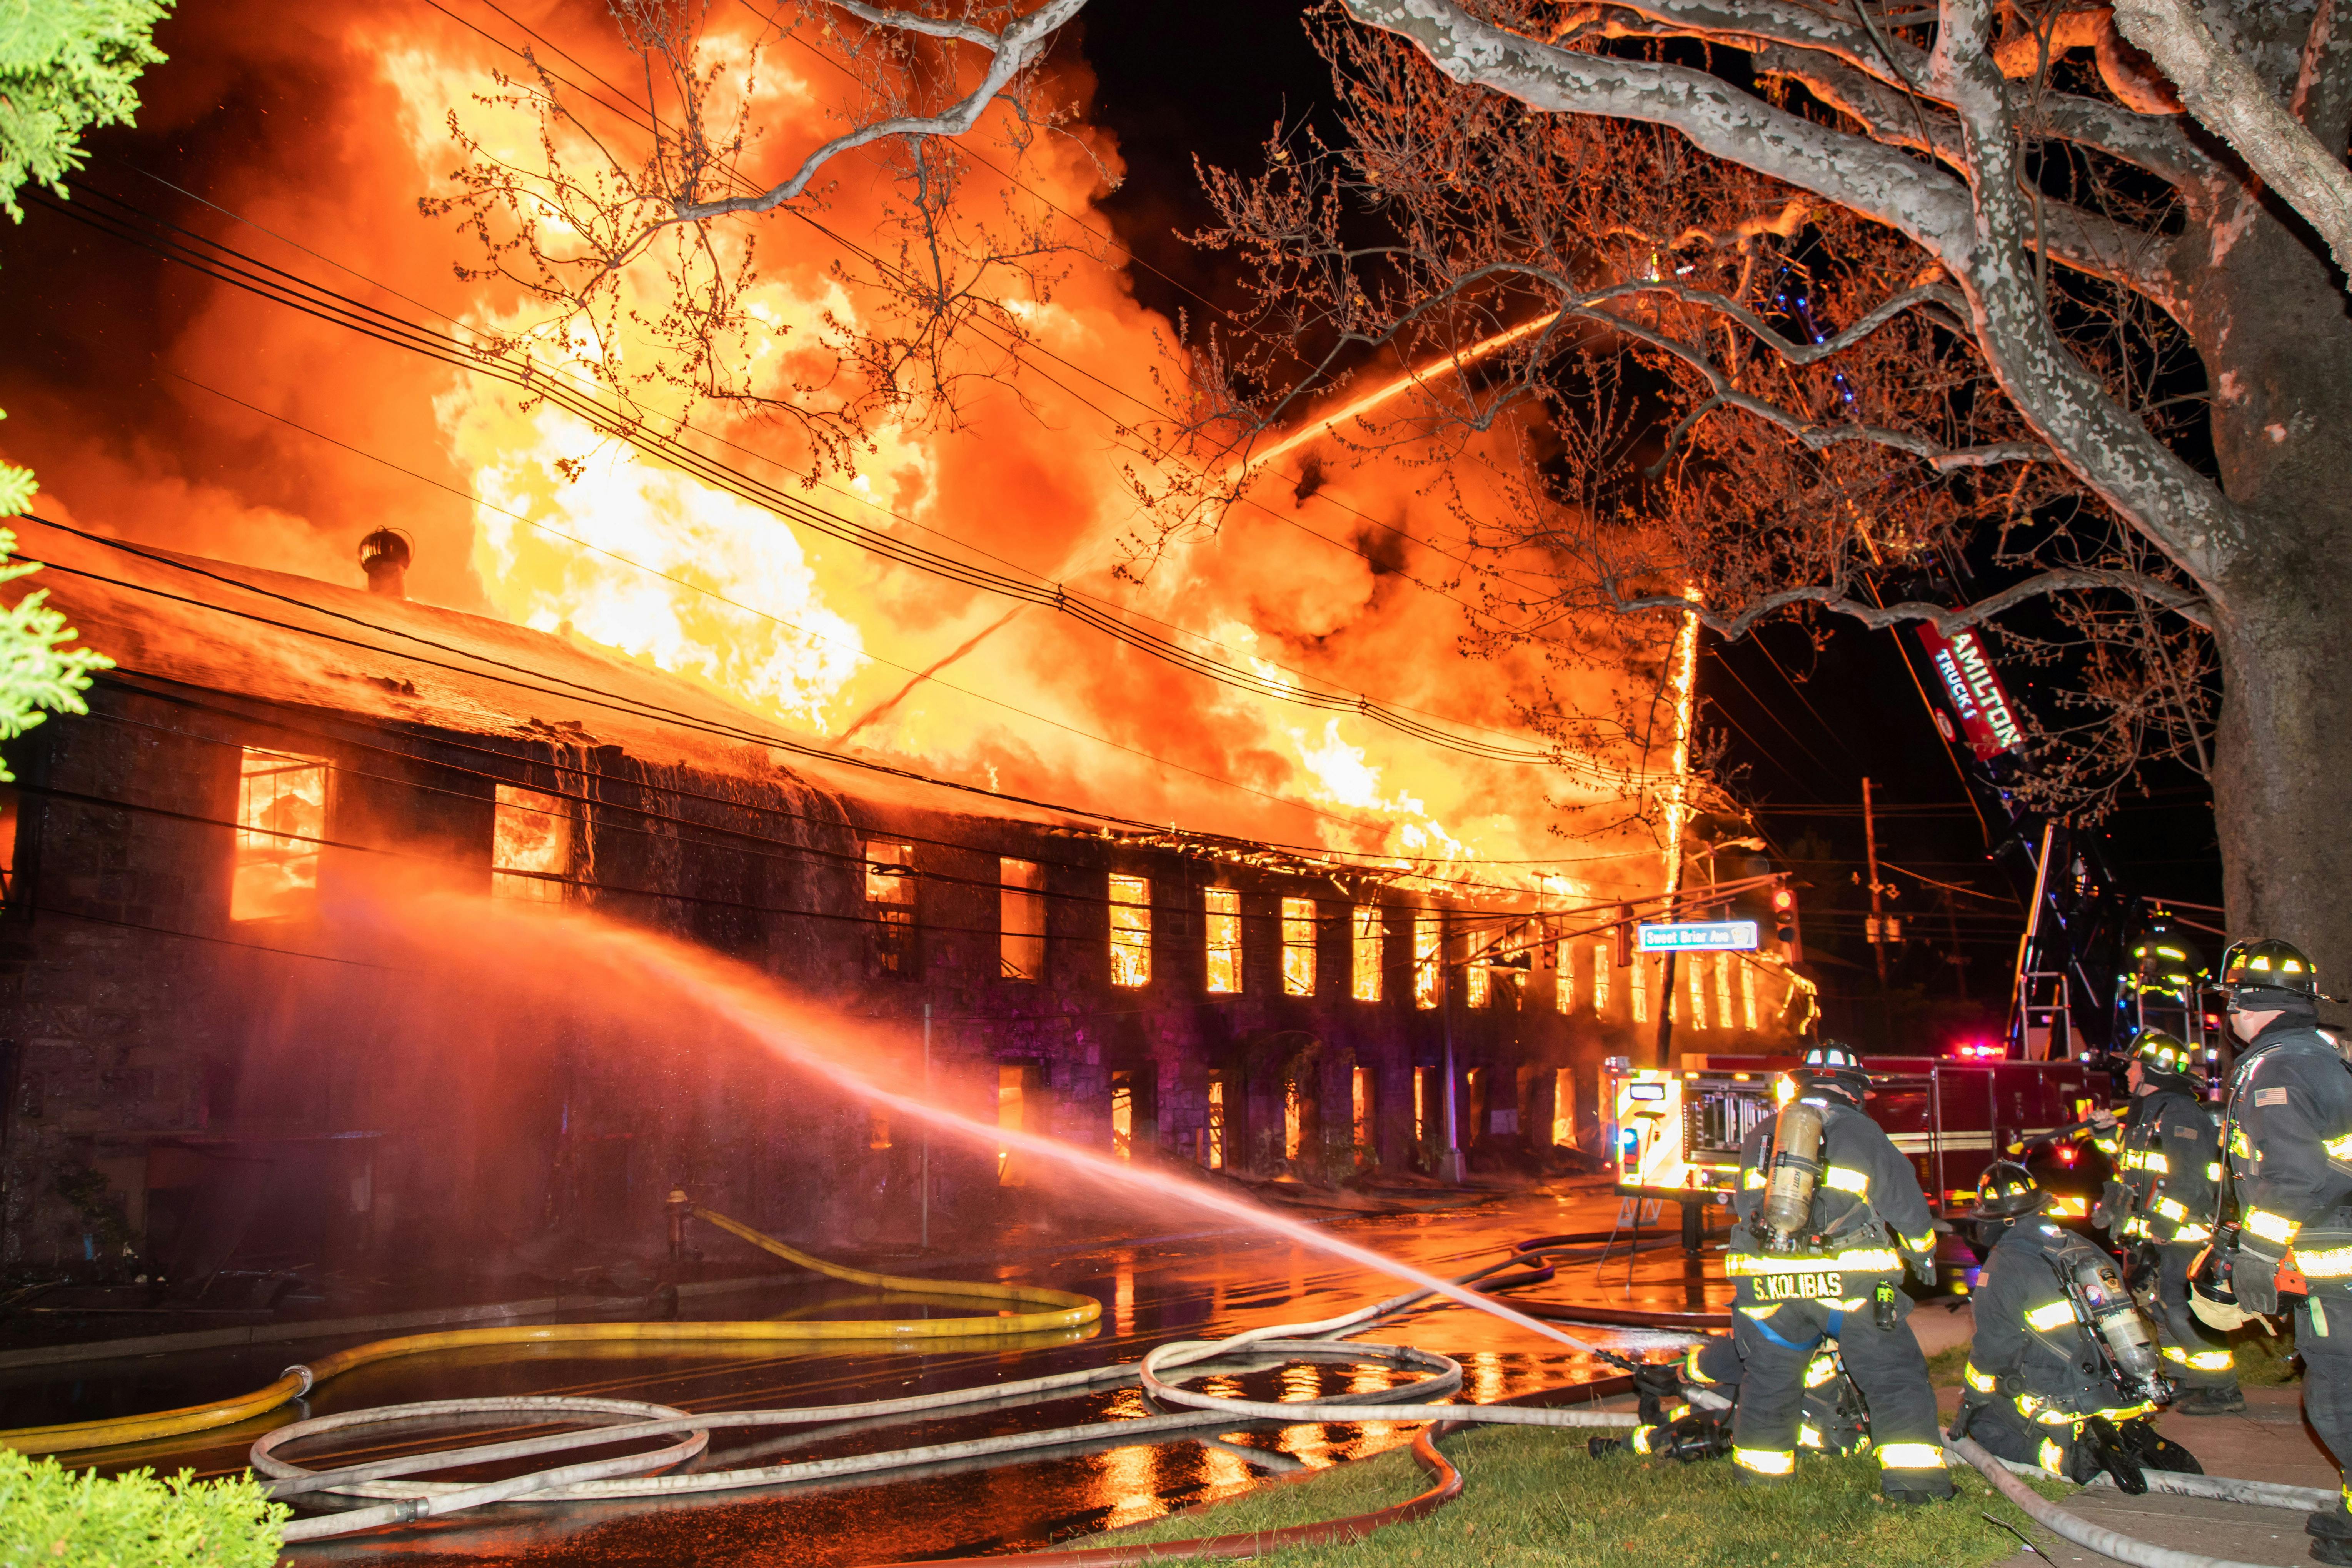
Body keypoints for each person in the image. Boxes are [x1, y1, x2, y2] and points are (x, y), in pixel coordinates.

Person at [1724, 1042, 1952, 1500]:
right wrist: (1924, 1252)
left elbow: (1745, 1206)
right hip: (1849, 1287)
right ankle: (1917, 1486)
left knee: (1769, 1381)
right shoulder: (1863, 1131)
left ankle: (1760, 1484)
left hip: (1770, 1288)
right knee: (1893, 1376)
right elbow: (1905, 1203)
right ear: (1854, 1090)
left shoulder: (1763, 1133)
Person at [2203, 939, 2352, 1565]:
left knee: (2338, 1398)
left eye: (2228, 1001)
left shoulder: (2279, 1070)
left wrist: (2258, 1254)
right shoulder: (2317, 1055)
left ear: (2244, 1001)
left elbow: (2294, 1178)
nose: (2226, 1015)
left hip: (2335, 1267)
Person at [1951, 1161, 2202, 1489]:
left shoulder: (2001, 1270)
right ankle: (2126, 1433)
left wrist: (1971, 1402)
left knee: (1987, 1423)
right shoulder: (2082, 1246)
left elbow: (1993, 1352)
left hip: (2068, 1404)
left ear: (1997, 1219)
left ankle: (2072, 1459)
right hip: (2124, 1388)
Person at [2096, 1029, 2243, 1413]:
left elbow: (2189, 1179)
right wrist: (2106, 1134)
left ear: (2153, 1070)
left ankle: (2223, 1390)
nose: (2128, 1072)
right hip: (2153, 1235)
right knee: (2161, 1308)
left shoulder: (2179, 1113)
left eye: (2134, 1065)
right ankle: (2187, 1379)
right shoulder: (2149, 1113)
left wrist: (2164, 1225)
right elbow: (2130, 1165)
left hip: (2182, 1235)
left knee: (2183, 1311)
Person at [1595, 1337, 1869, 1463]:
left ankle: (1629, 1445)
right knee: (1725, 1395)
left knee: (1707, 1420)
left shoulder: (1776, 1314)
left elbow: (1727, 1357)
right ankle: (1660, 1419)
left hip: (1798, 1422)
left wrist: (1683, 1372)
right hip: (1841, 1425)